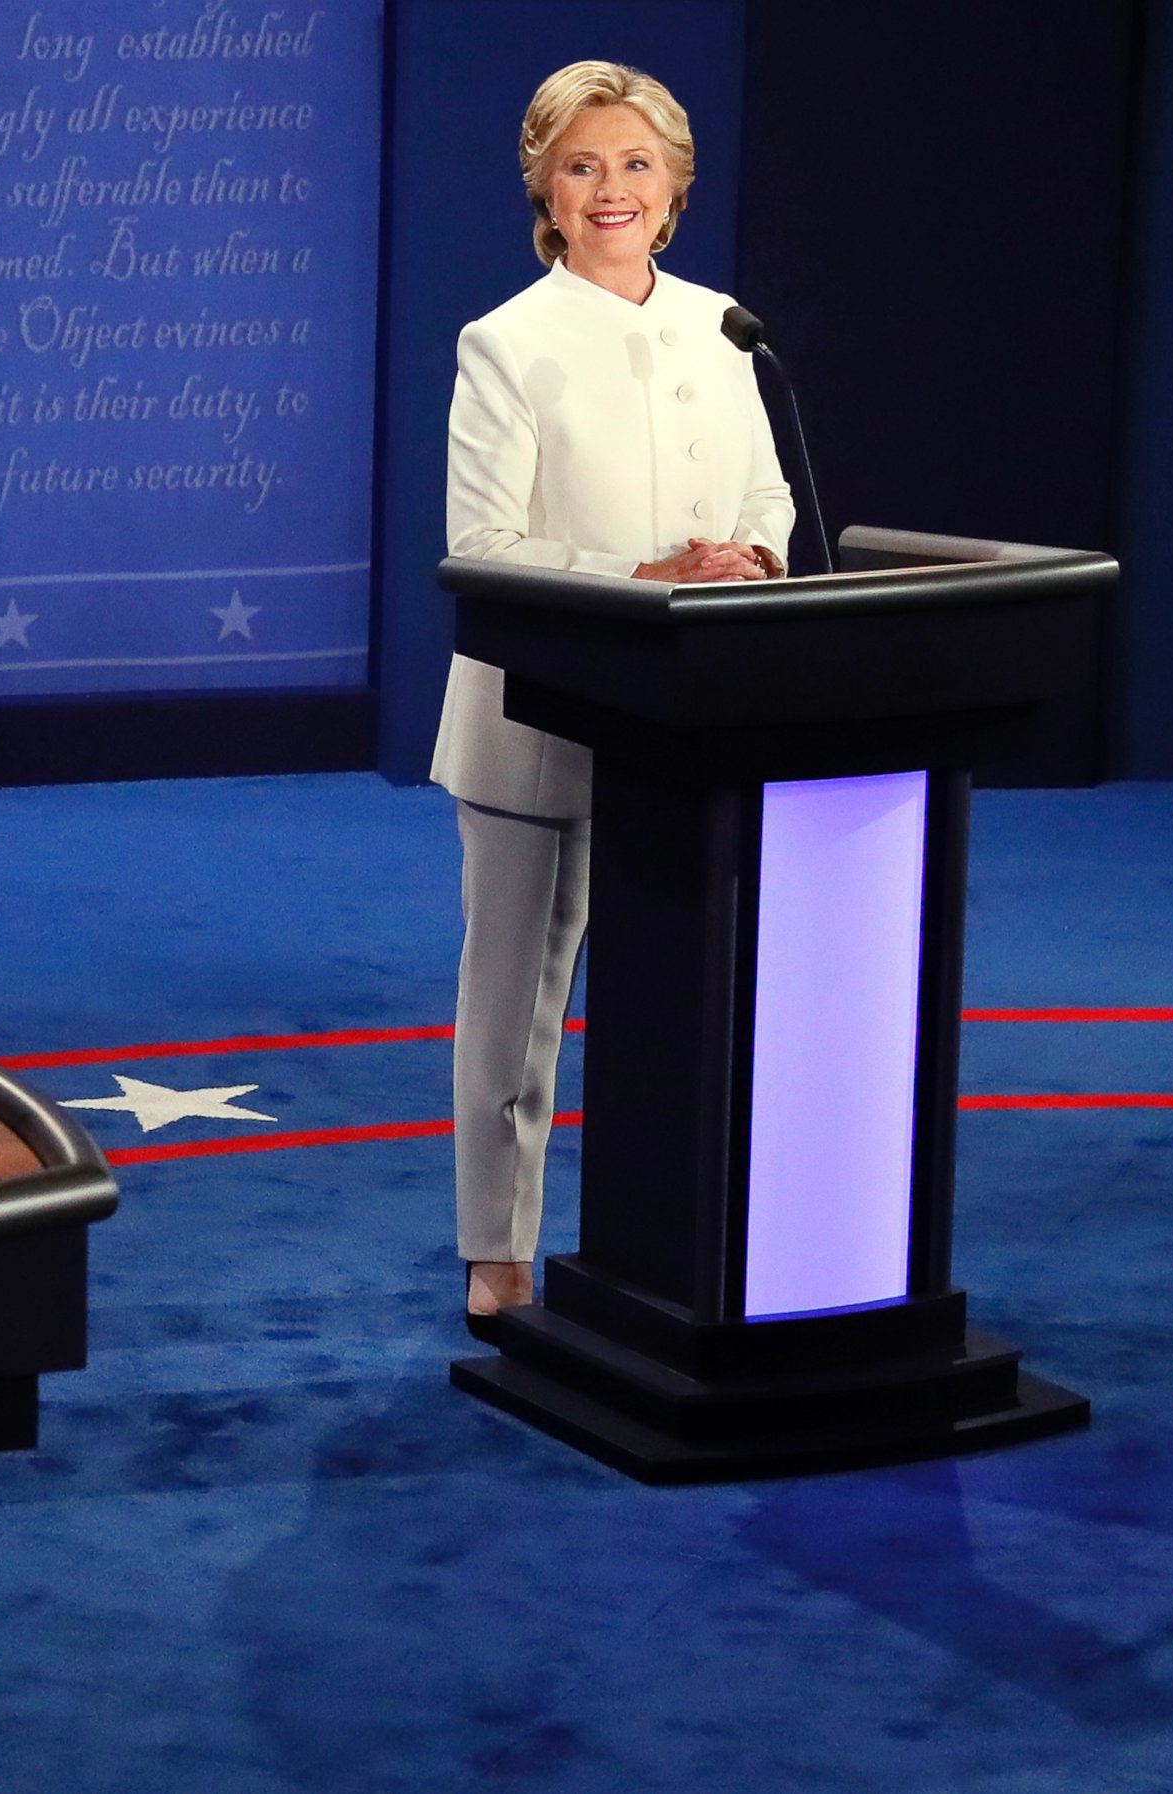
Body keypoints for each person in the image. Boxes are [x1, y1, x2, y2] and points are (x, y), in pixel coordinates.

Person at [435, 62, 793, 1333]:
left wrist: (750, 559)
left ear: (677, 183)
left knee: (685, 1010)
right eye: (583, 165)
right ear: (542, 181)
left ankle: (679, 1249)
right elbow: (481, 544)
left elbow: (767, 496)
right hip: (540, 718)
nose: (611, 190)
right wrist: (643, 573)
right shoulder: (509, 341)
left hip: (694, 725)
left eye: (635, 165)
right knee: (517, 1014)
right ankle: (498, 1249)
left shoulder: (722, 325)